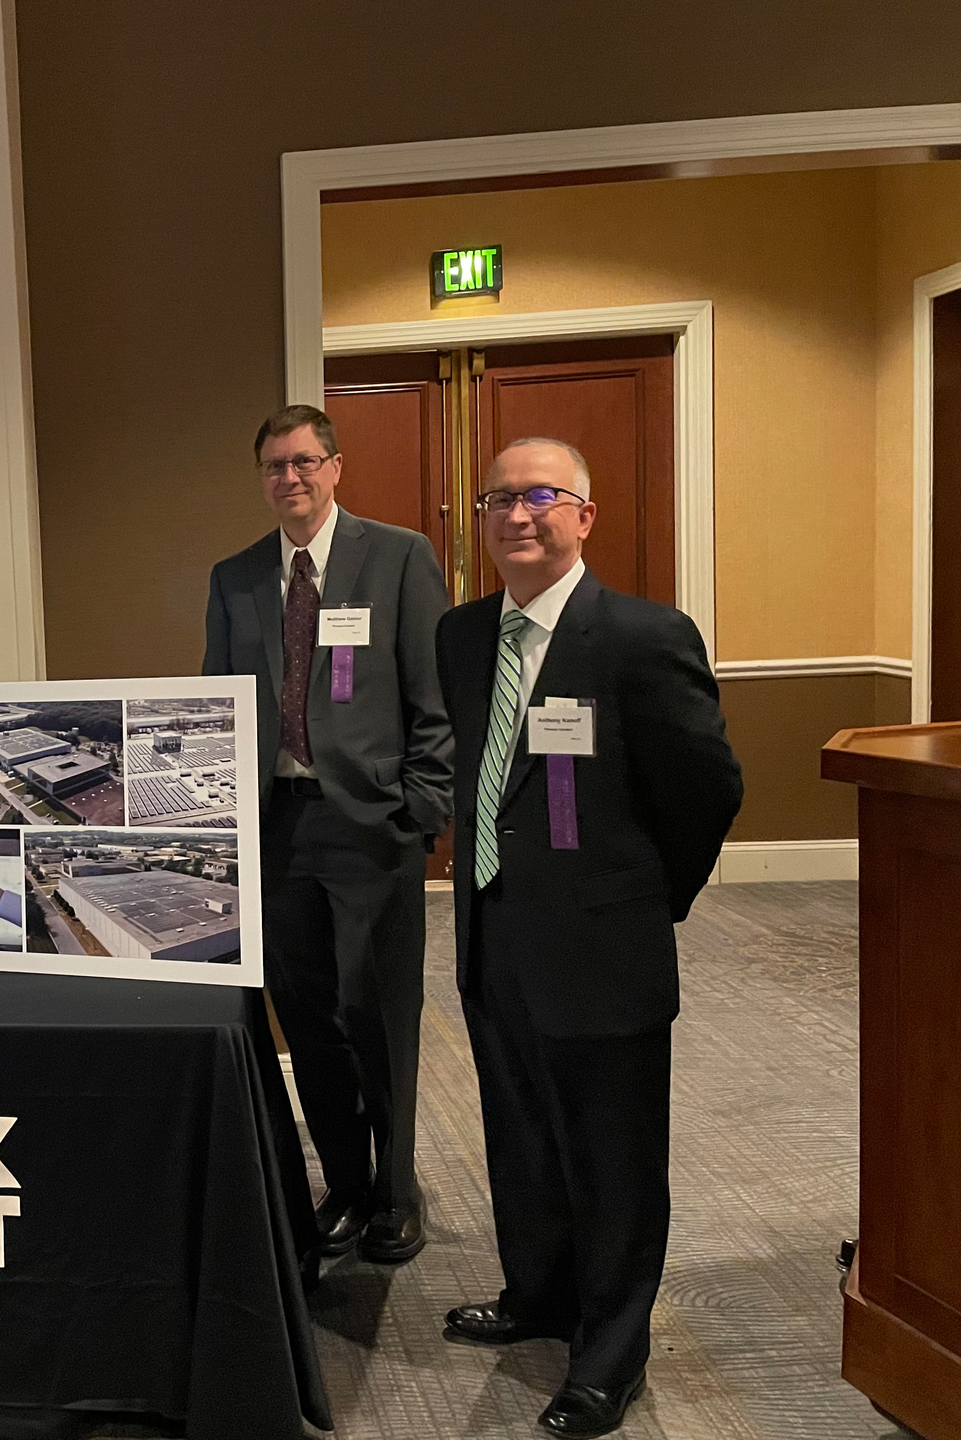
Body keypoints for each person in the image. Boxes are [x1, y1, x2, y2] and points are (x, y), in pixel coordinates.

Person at [434, 439, 741, 1437]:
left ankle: (611, 1355)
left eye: (539, 497)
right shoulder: (462, 633)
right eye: (497, 501)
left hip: (604, 950)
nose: (516, 517)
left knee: (611, 1156)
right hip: (493, 935)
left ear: (584, 516)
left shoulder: (643, 637)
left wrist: (648, 902)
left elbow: (706, 791)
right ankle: (539, 1297)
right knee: (520, 1137)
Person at [204, 404, 453, 1263]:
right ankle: (344, 1185)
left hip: (371, 825)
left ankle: (396, 1191)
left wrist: (422, 807)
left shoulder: (398, 557)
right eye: (275, 466)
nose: (291, 479)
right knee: (307, 1019)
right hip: (276, 828)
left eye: (306, 462)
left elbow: (435, 694)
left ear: (336, 467)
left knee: (380, 1012)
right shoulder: (235, 579)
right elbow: (215, 713)